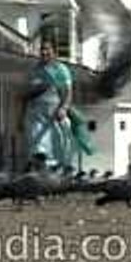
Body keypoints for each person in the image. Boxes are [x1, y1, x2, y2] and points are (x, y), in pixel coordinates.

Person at [24, 39, 94, 170]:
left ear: (54, 52)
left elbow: (67, 92)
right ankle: (40, 166)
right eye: (42, 50)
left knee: (60, 142)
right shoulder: (35, 70)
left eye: (47, 49)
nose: (44, 52)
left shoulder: (60, 69)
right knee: (36, 143)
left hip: (55, 112)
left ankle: (62, 168)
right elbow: (28, 93)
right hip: (36, 113)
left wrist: (63, 108)